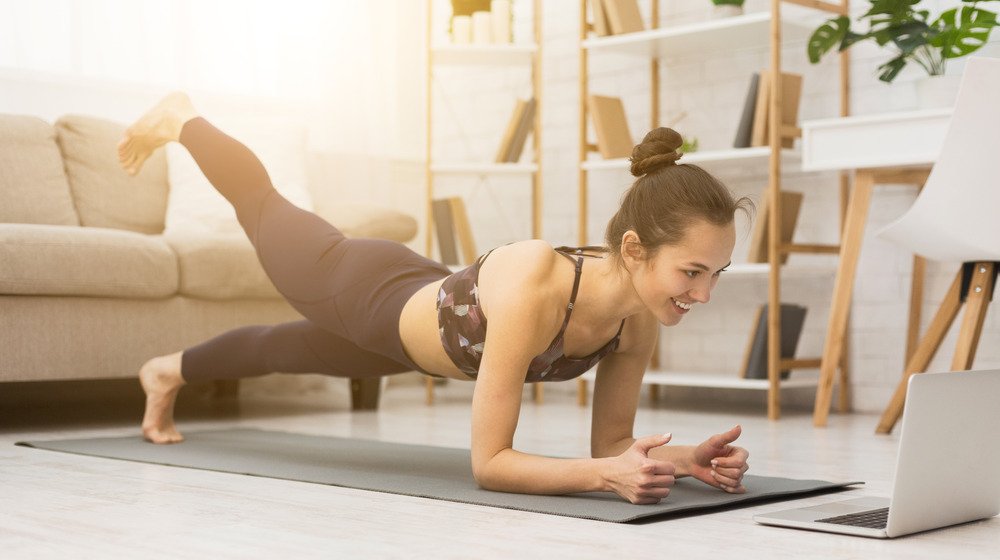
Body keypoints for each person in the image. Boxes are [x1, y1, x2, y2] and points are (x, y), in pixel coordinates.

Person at [119, 93, 752, 505]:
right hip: (359, 285)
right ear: (637, 251)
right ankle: (182, 119)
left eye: (717, 273)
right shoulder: (541, 282)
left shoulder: (635, 321)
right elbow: (490, 463)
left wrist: (685, 460)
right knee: (262, 205)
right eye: (692, 271)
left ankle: (164, 370)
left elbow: (611, 445)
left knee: (277, 348)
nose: (704, 293)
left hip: (407, 327)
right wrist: (602, 478)